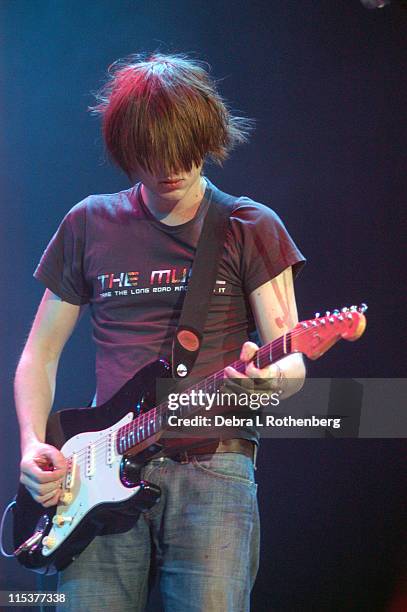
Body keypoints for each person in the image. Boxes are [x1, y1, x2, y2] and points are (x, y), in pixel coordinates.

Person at [14, 53, 306, 612]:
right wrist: (32, 444)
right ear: (127, 151)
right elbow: (38, 355)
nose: (171, 168)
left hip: (213, 468)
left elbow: (291, 361)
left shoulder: (250, 226)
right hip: (98, 466)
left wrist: (267, 381)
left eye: (185, 151)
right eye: (153, 156)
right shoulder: (89, 223)